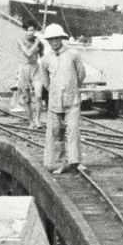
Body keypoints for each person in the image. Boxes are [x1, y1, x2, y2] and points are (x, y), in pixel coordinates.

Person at [40, 23, 88, 174]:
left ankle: (75, 161)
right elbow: (45, 81)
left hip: (72, 100)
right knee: (55, 133)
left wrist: (73, 87)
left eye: (56, 38)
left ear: (61, 38)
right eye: (50, 39)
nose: (54, 42)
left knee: (72, 131)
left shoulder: (73, 54)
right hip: (54, 102)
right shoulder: (45, 59)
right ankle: (59, 162)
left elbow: (81, 74)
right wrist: (54, 91)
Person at [12, 27, 45, 125]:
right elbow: (28, 53)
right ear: (24, 31)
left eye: (33, 30)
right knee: (27, 98)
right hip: (24, 69)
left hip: (36, 68)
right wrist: (37, 42)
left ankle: (38, 120)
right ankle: (31, 121)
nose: (31, 32)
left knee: (39, 95)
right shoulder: (20, 40)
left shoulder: (38, 42)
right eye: (29, 30)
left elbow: (42, 56)